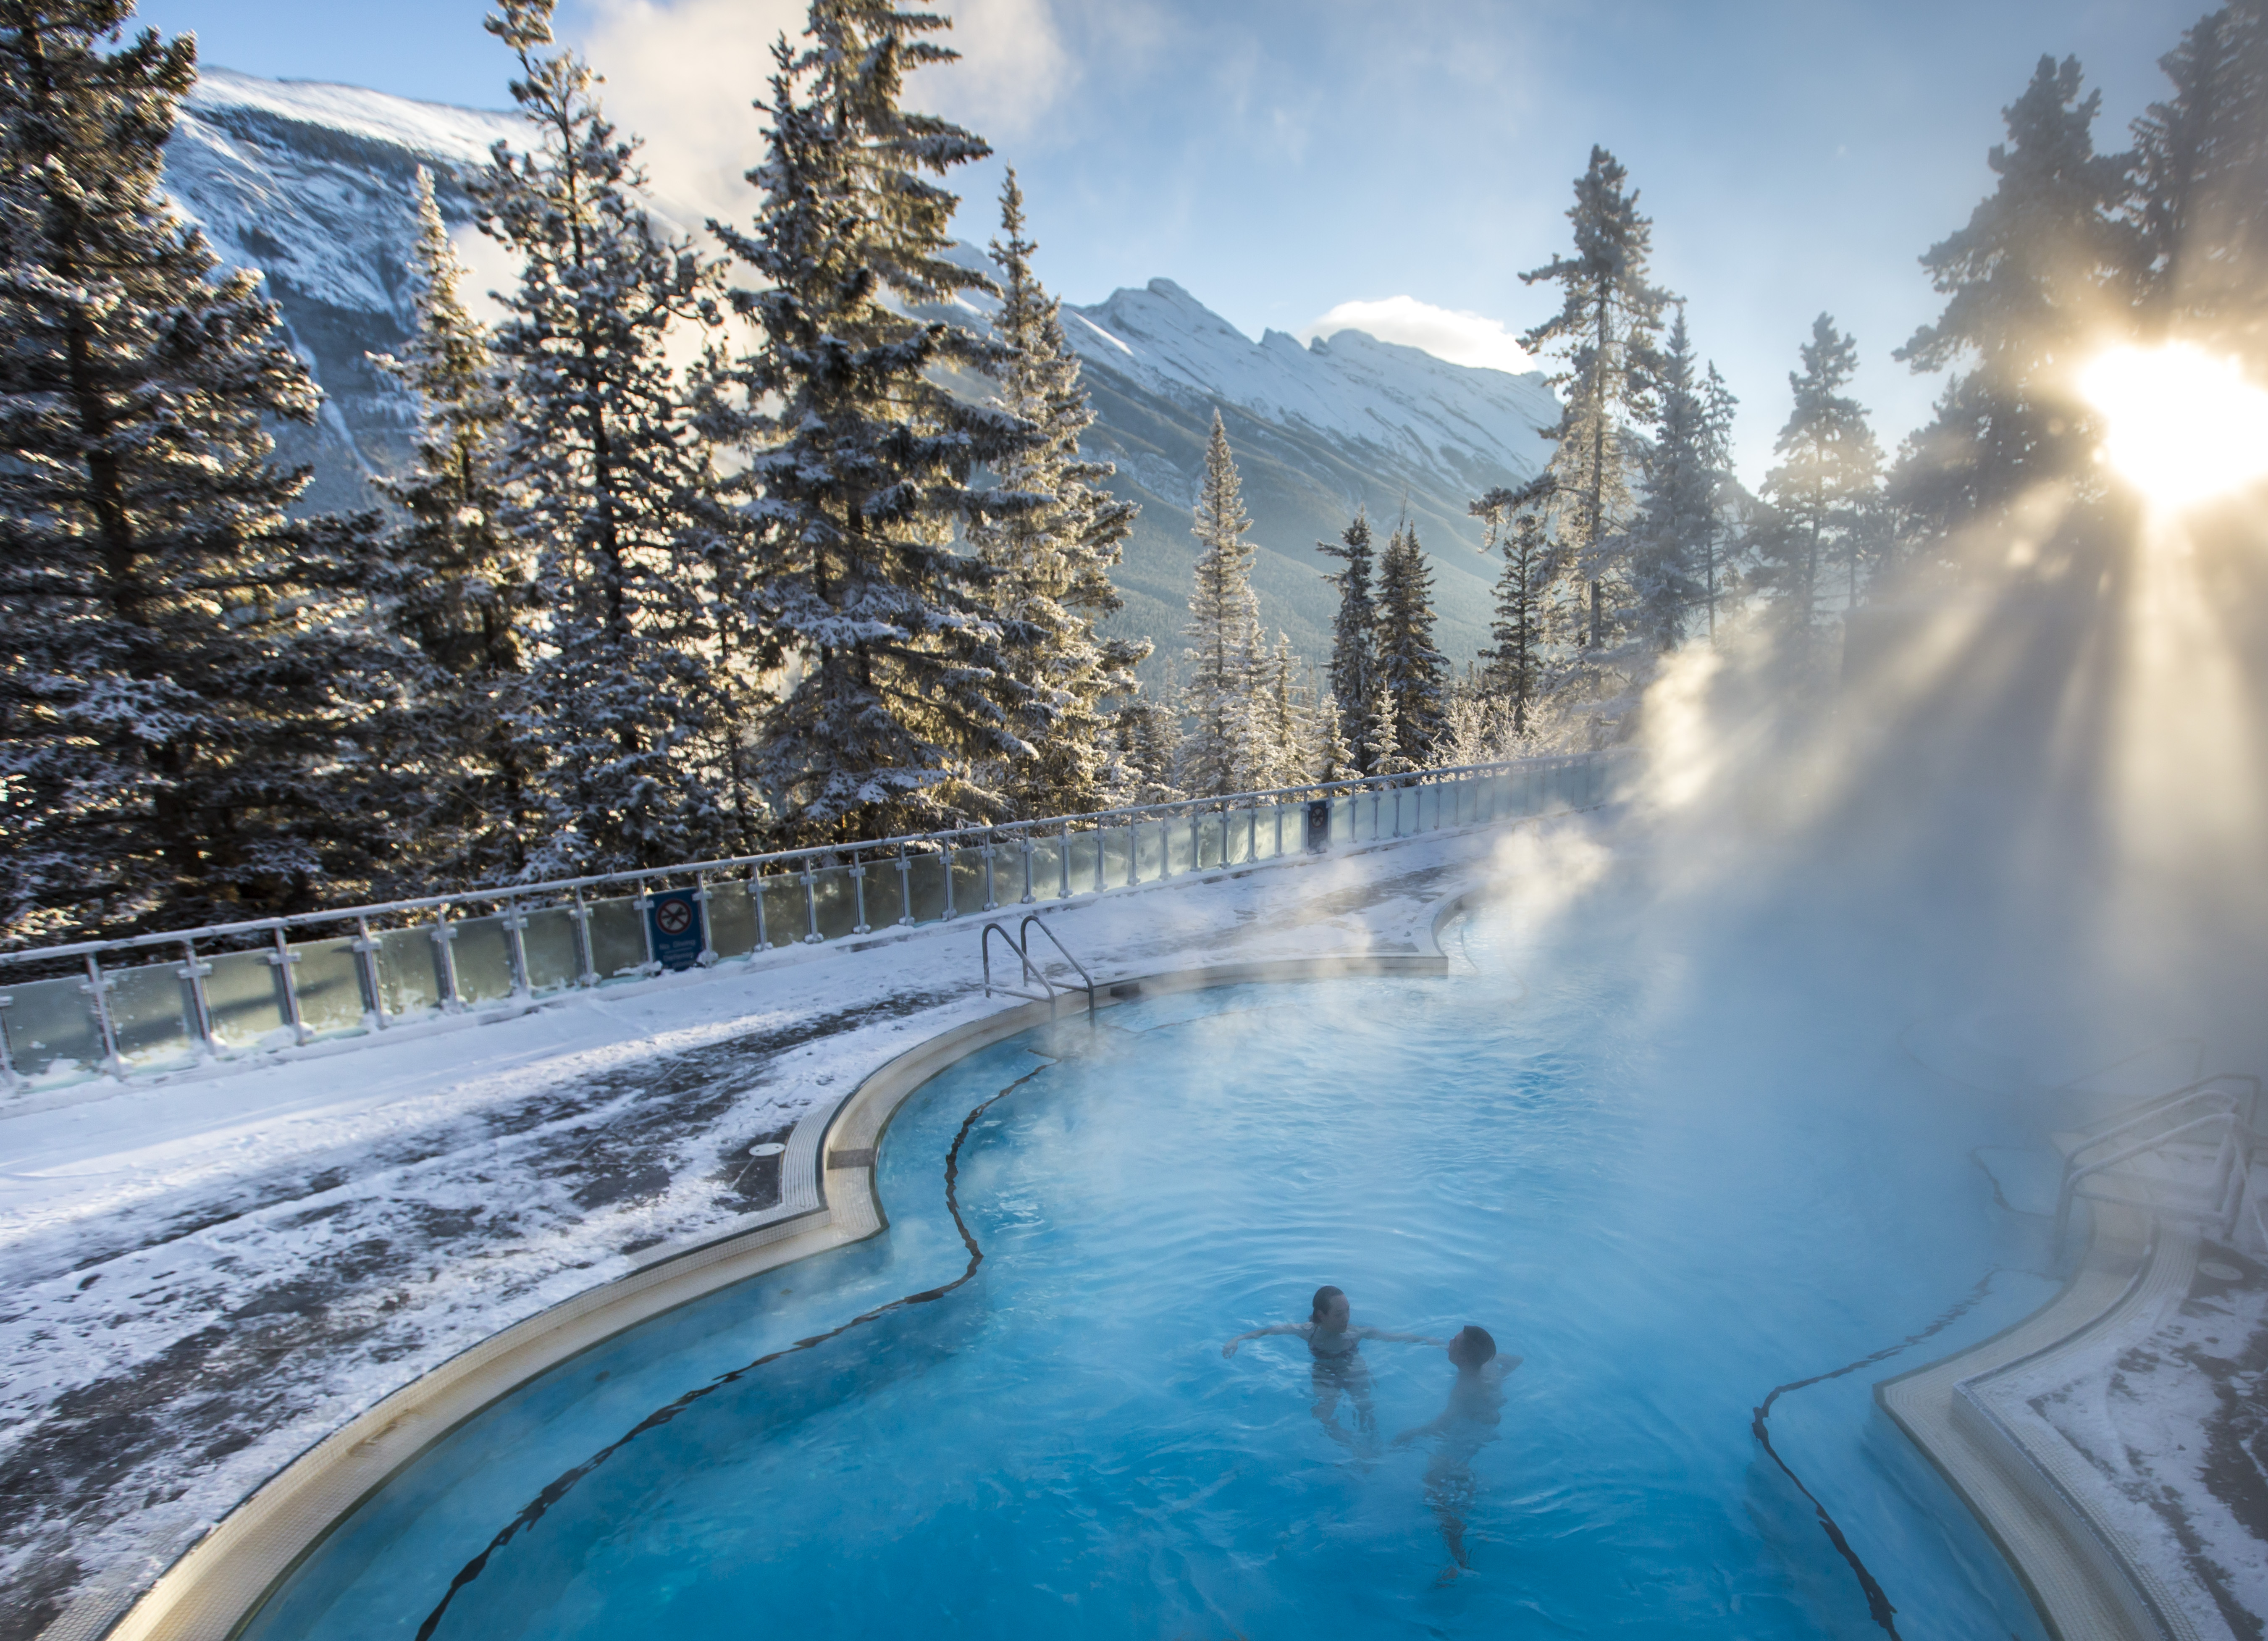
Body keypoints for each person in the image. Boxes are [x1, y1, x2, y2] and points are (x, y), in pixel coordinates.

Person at [1223, 1286, 1444, 1445]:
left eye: (1348, 1310)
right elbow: (1268, 1331)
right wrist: (1238, 1339)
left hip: (1352, 1368)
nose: (1347, 1318)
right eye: (1340, 1314)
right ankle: (1352, 1446)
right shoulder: (1308, 1332)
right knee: (1323, 1416)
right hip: (1324, 1374)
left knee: (1366, 1408)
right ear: (1321, 1315)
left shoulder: (1355, 1333)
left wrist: (1428, 1341)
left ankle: (1372, 1444)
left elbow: (1392, 1337)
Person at [1393, 1325, 1520, 1576]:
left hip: (1464, 1436)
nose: (1449, 1342)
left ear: (1463, 1358)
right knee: (1458, 1480)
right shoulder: (1490, 1368)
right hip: (1480, 1431)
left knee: (1437, 1492)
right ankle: (1474, 1526)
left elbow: (1442, 1426)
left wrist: (1409, 1434)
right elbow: (1516, 1360)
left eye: (1454, 1342)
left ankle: (1460, 1562)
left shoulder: (1465, 1388)